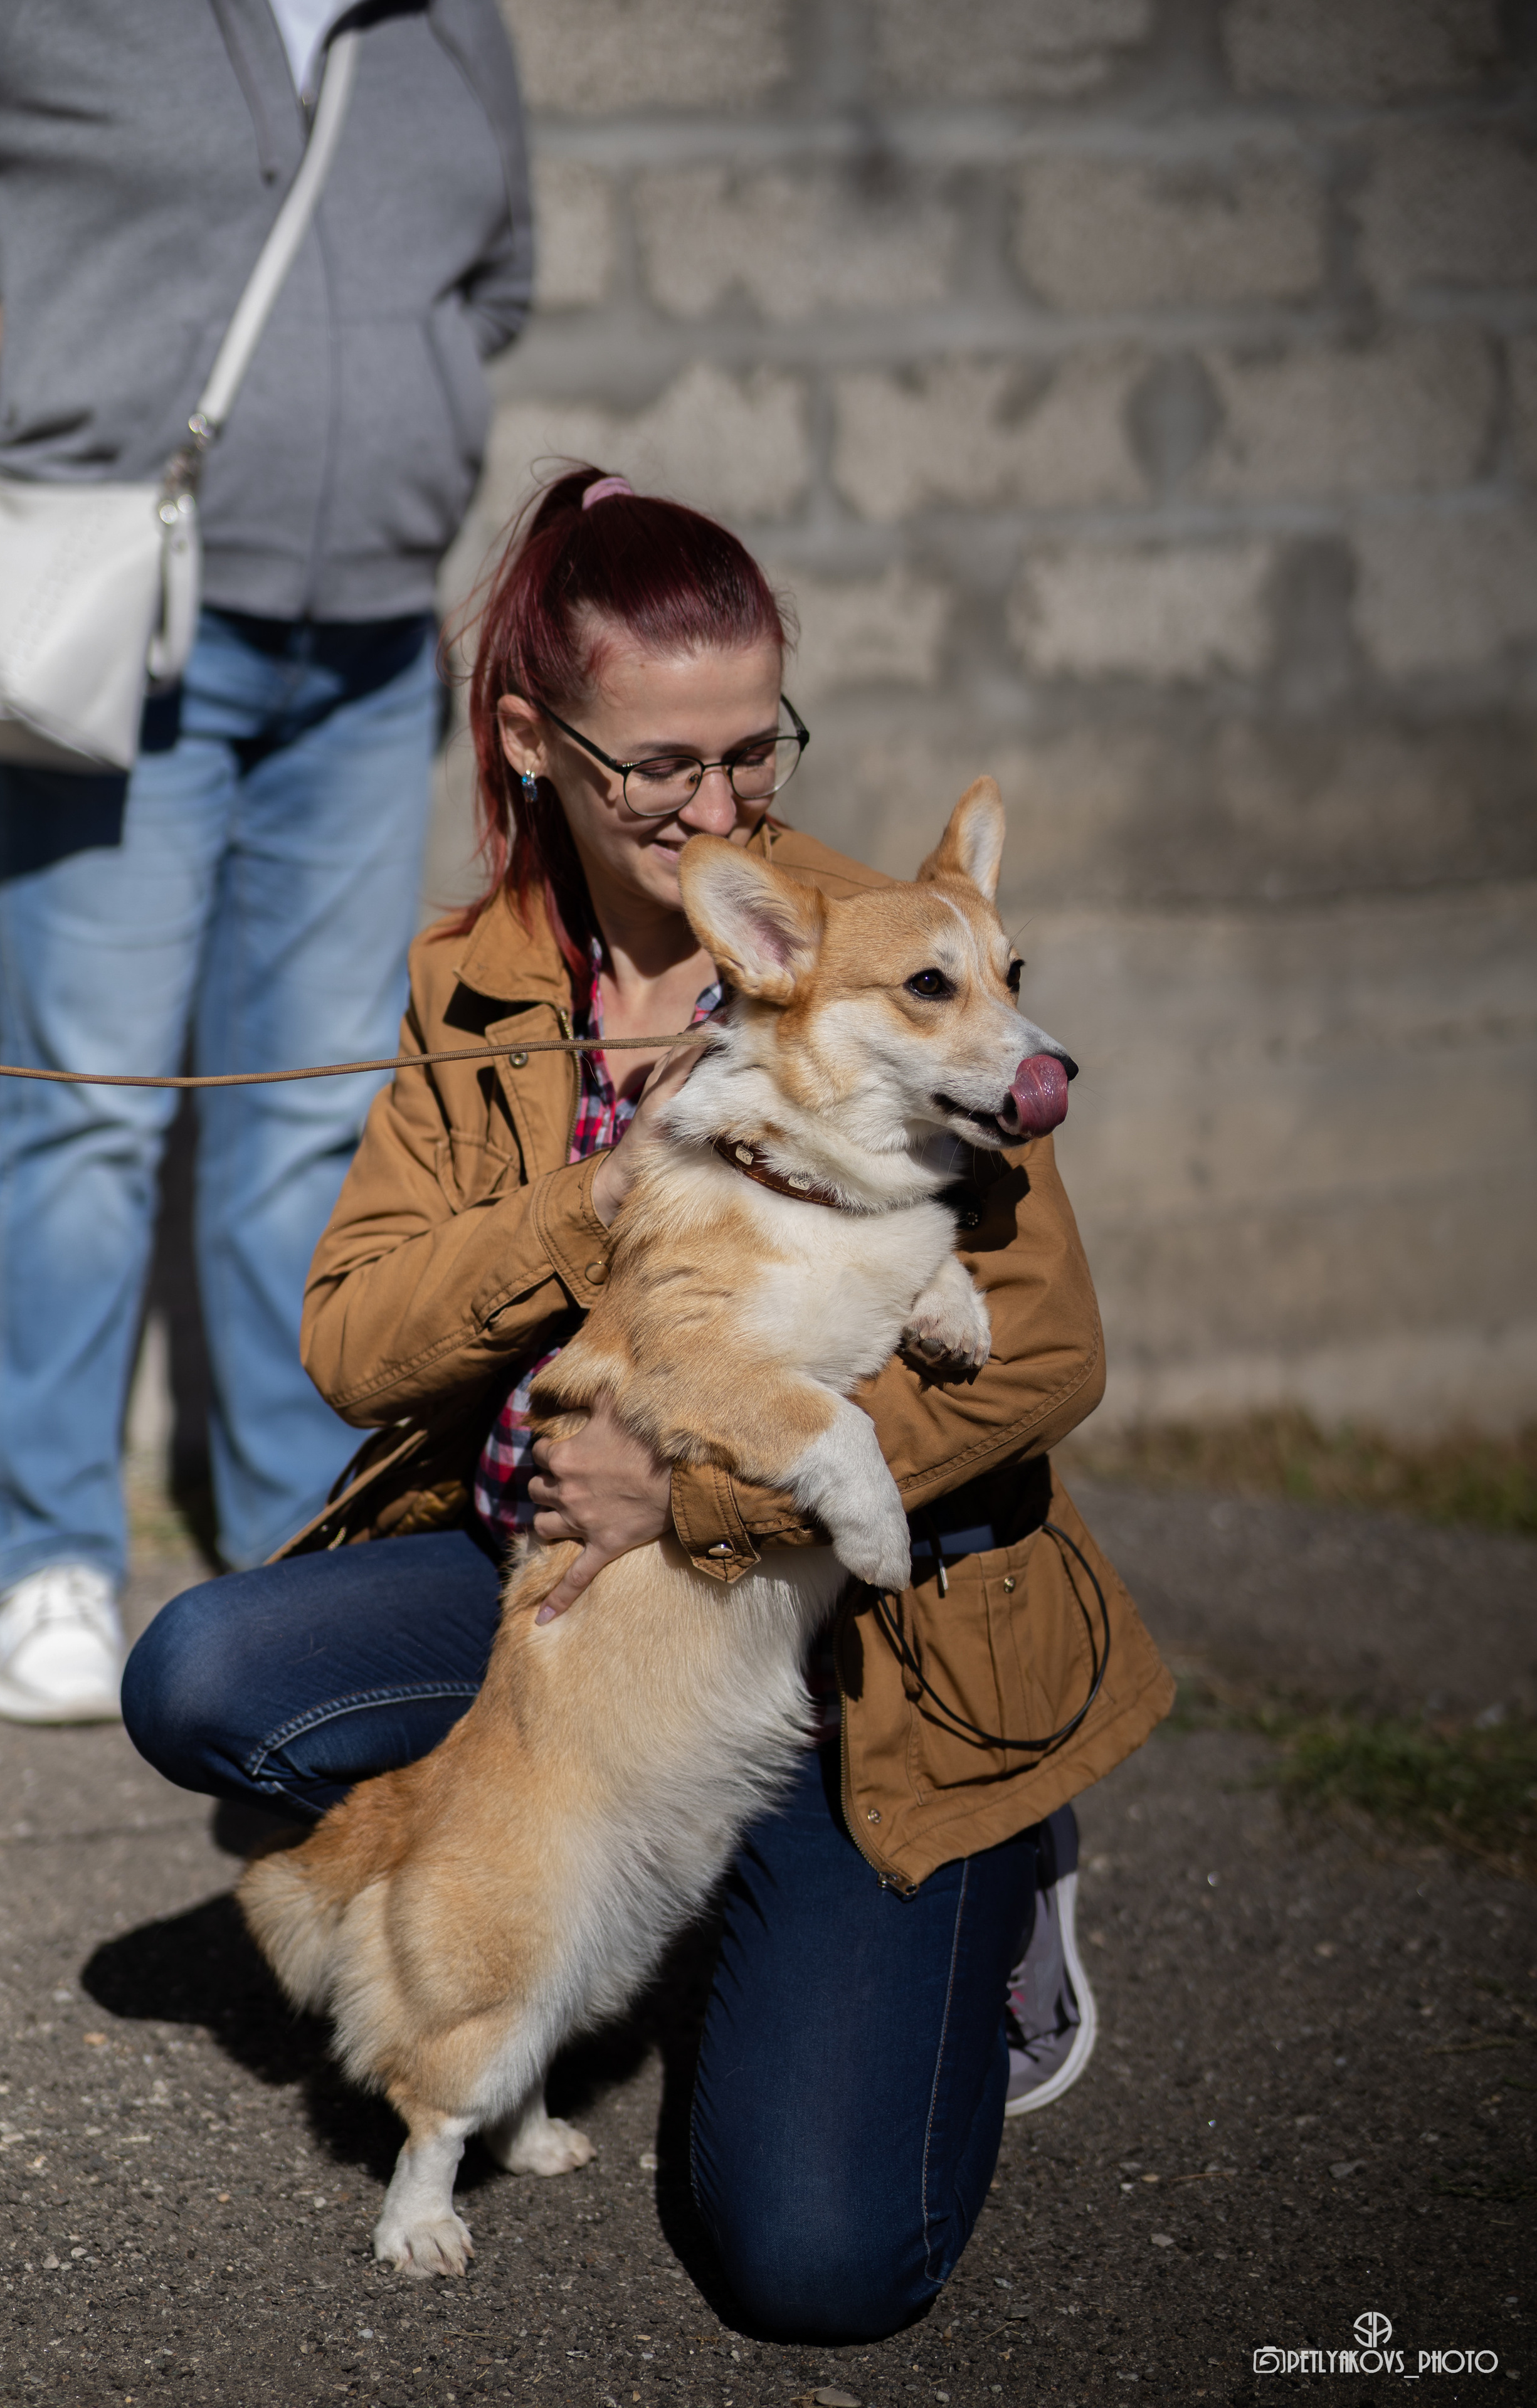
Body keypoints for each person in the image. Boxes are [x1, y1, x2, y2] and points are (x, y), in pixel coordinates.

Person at [122, 469, 1173, 2338]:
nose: (719, 806)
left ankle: (969, 1868)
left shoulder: (890, 961)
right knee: (205, 1676)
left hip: (869, 1649)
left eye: (753, 749)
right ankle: (510, 1889)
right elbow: (355, 1340)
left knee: (816, 2262)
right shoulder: (483, 983)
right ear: (534, 742)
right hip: (559, 1592)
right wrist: (594, 1199)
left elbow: (1044, 1357)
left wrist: (696, 1497)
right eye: (662, 765)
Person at [0, 0, 531, 1723]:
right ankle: (47, 1552)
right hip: (116, 630)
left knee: (308, 1109)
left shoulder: (445, 19)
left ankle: (297, 1535)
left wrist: (404, 386)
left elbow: (499, 275)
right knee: (92, 1099)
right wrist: (0, 283)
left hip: (369, 648)